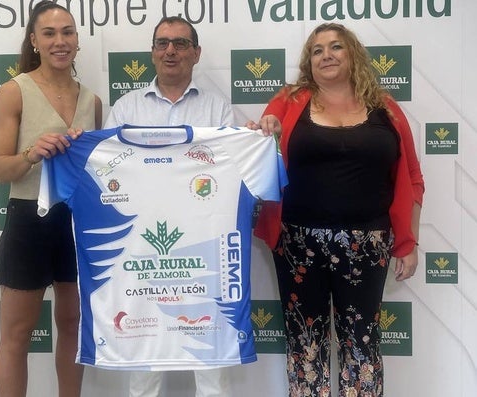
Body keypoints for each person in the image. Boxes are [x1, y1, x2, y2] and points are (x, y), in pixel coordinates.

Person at [248, 23, 424, 396]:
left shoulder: (386, 108)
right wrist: (266, 134)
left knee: (362, 345)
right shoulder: (288, 101)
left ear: (352, 54)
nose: (326, 55)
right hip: (298, 243)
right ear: (308, 62)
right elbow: (259, 161)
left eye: (336, 47)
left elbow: (411, 176)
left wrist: (409, 241)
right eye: (317, 50)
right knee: (304, 345)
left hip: (367, 243)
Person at [104, 16, 233, 397]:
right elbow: (106, 169)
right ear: (152, 52)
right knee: (145, 347)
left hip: (202, 245)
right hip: (143, 245)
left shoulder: (217, 110)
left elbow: (232, 171)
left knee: (210, 347)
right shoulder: (126, 109)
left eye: (180, 43)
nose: (170, 51)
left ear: (196, 53)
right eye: (162, 43)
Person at [0, 2, 102, 396]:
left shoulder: (92, 101)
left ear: (77, 40)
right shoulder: (14, 91)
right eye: (50, 33)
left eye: (68, 32)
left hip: (76, 223)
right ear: (34, 41)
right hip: (28, 220)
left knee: (72, 324)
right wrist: (30, 153)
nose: (61, 41)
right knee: (17, 333)